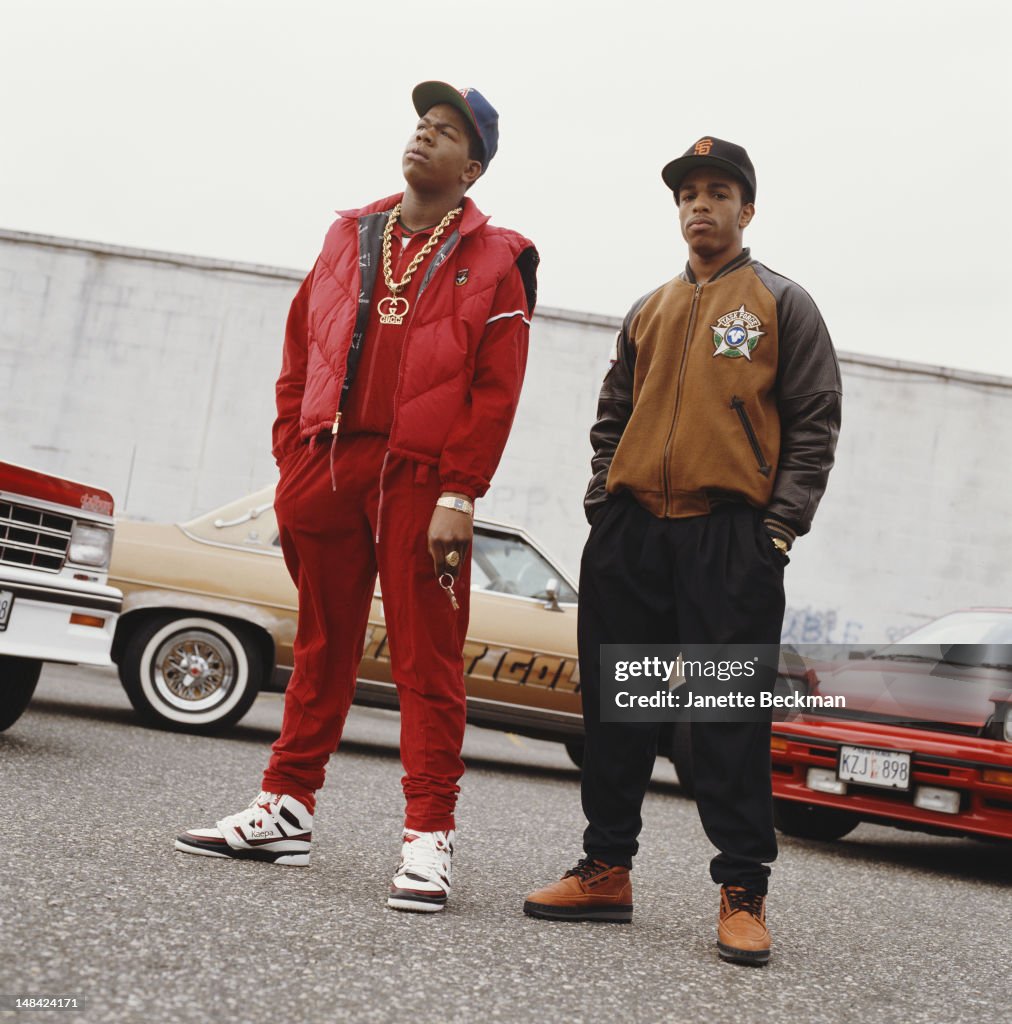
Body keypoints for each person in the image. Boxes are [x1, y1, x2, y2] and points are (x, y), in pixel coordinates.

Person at [175, 82, 538, 914]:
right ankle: (286, 808)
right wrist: (293, 454)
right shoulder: (349, 234)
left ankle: (427, 839)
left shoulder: (498, 259)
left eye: (446, 132)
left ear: (472, 166)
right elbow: (301, 342)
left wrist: (460, 490)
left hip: (421, 478)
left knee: (427, 660)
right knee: (321, 645)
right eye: (421, 124)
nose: (425, 137)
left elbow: (496, 389)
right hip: (329, 467)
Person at [523, 137, 840, 964]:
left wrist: (776, 530)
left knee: (723, 721)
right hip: (633, 535)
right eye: (688, 193)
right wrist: (604, 498)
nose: (701, 204)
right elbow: (612, 414)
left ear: (747, 208)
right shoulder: (649, 308)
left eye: (718, 191)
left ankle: (743, 891)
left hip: (728, 540)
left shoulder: (781, 303)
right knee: (617, 712)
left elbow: (814, 425)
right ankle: (606, 869)